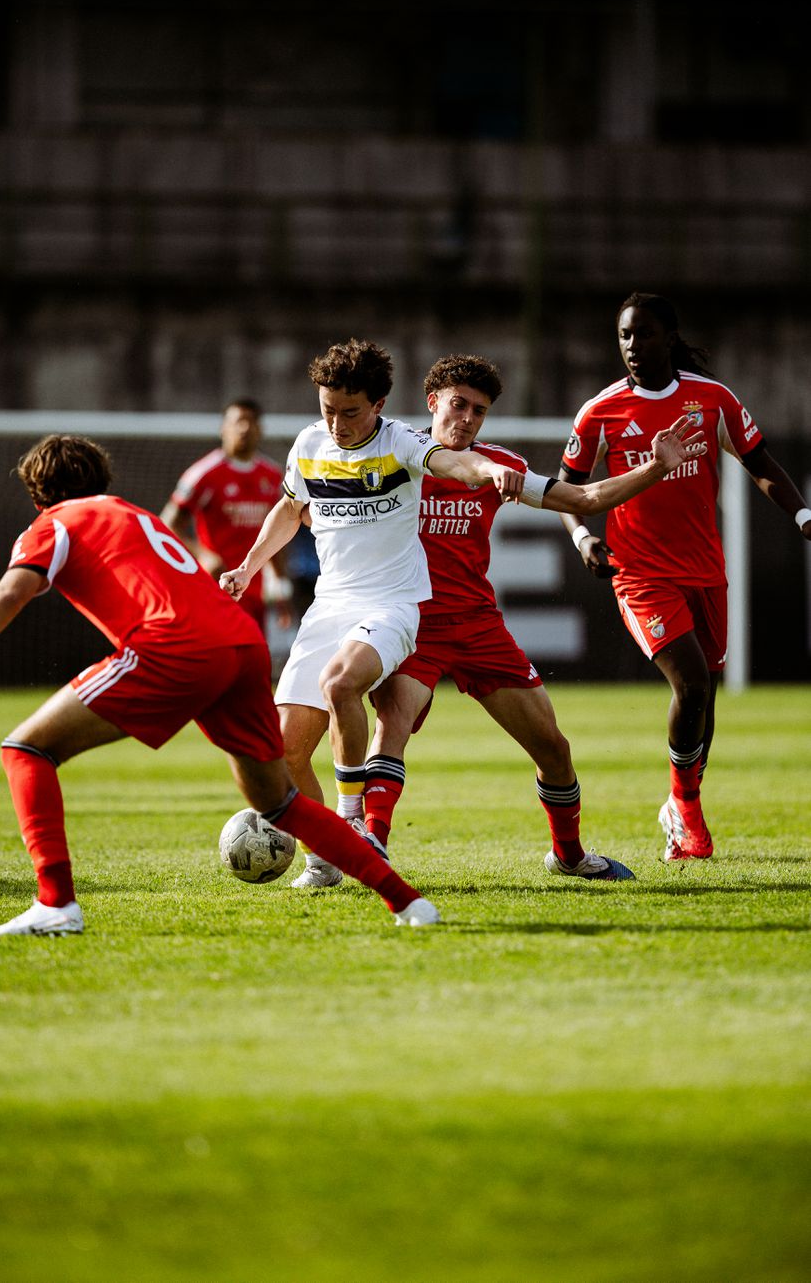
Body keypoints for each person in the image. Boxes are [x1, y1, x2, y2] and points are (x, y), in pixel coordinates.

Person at [221, 340, 701, 888]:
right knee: (387, 726)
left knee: (554, 748)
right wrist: (258, 561)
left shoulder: (483, 465)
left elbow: (585, 498)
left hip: (474, 624)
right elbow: (307, 508)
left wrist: (655, 469)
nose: (466, 417)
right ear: (432, 401)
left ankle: (568, 856)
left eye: (478, 410)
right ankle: (360, 842)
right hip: (411, 621)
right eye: (458, 404)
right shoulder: (388, 452)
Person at [0, 434, 441, 934]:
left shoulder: (54, 522)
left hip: (173, 647)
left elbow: (8, 595)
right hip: (239, 642)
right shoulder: (133, 513)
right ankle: (408, 903)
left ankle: (55, 906)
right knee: (280, 802)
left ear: (39, 497)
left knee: (25, 750)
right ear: (102, 480)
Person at [220, 337, 535, 887]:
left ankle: (350, 823)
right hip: (329, 606)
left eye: (350, 412)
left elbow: (453, 462)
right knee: (285, 751)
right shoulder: (309, 444)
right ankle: (324, 857)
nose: (337, 424)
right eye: (327, 410)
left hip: (393, 603)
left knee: (342, 684)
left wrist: (488, 471)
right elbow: (291, 508)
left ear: (379, 406)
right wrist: (247, 569)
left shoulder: (403, 444)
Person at [557, 292, 811, 861]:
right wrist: (582, 537)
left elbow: (761, 461)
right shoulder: (601, 411)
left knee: (705, 700)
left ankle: (681, 802)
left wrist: (802, 514)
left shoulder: (712, 400)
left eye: (643, 334)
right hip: (641, 573)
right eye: (624, 335)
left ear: (669, 338)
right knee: (691, 682)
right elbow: (568, 489)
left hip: (705, 570)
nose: (632, 346)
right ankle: (687, 810)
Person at [160, 398, 291, 632]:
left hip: (254, 591)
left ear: (260, 429)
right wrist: (203, 555)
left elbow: (278, 532)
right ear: (223, 428)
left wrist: (280, 586)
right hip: (215, 588)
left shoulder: (271, 476)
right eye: (238, 422)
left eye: (251, 422)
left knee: (253, 663)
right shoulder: (204, 474)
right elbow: (167, 524)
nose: (244, 428)